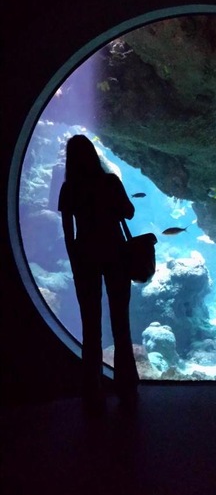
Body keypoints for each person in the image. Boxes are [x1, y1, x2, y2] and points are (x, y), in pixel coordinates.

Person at [58, 134, 139, 410]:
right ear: (95, 155)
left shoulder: (69, 188)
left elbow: (68, 233)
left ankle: (92, 390)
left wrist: (75, 262)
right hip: (115, 255)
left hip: (85, 259)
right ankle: (127, 386)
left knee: (90, 327)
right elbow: (129, 212)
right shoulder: (110, 182)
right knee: (121, 323)